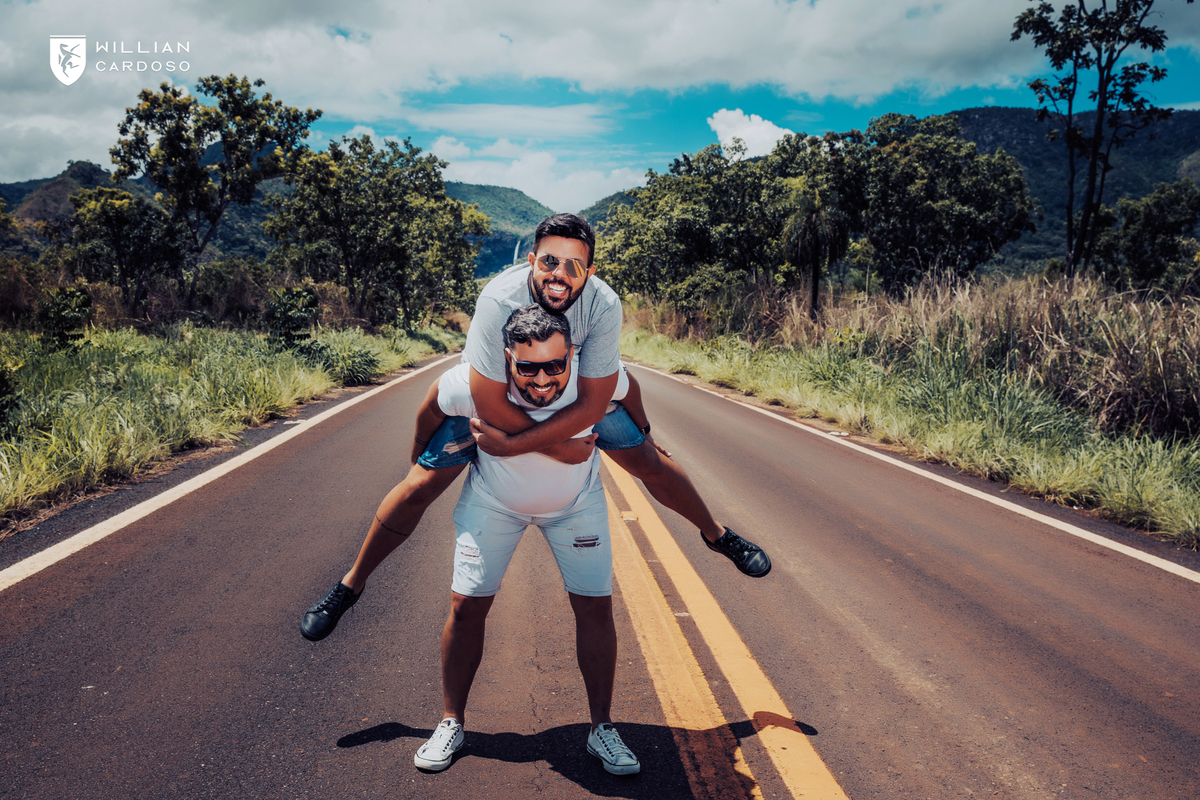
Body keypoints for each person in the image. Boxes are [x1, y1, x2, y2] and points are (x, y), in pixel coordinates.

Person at [301, 213, 770, 642]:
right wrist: (553, 449)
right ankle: (350, 584)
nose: (560, 275)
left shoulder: (603, 305)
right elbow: (484, 404)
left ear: (590, 272)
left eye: (574, 266)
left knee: (649, 461)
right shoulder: (497, 300)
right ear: (532, 260)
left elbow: (603, 398)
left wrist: (642, 433)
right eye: (549, 261)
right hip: (499, 396)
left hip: (573, 398)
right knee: (420, 484)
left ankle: (717, 534)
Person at [413, 305, 639, 775]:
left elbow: (631, 389)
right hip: (493, 503)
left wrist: (648, 437)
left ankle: (602, 728)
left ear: (572, 356)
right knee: (466, 606)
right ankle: (451, 722)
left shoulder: (594, 381)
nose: (542, 379)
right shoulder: (473, 385)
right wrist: (417, 462)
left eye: (555, 365)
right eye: (527, 367)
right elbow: (432, 404)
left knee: (595, 607)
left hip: (576, 505)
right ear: (506, 359)